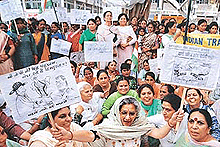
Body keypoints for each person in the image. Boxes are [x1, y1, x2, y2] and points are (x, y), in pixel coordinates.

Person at [50, 96, 184, 147]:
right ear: (117, 112)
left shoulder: (139, 126)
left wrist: (171, 123)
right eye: (124, 113)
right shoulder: (109, 126)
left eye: (132, 114)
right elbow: (91, 136)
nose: (127, 117)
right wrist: (70, 136)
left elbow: (159, 134)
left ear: (137, 114)